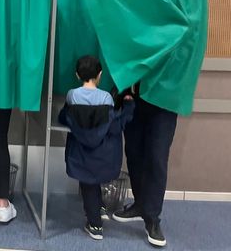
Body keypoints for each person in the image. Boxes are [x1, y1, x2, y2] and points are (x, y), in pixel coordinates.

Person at [58, 55, 134, 240]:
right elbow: (114, 125)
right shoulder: (107, 98)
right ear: (100, 74)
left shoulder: (72, 96)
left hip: (81, 154)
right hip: (103, 154)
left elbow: (64, 117)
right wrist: (129, 105)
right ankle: (96, 224)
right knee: (94, 181)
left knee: (88, 184)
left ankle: (95, 220)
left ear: (77, 75)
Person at [112, 82, 176, 248]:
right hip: (135, 96)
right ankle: (140, 204)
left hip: (164, 101)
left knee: (157, 158)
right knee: (133, 152)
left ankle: (152, 218)